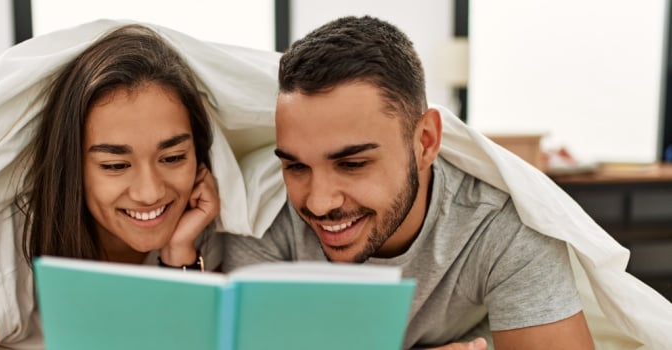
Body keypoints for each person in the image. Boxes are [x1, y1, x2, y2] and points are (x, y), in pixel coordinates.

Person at [223, 16, 595, 349]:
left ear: (426, 142)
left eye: (352, 163)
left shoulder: (501, 229)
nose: (319, 203)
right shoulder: (261, 213)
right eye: (297, 167)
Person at [0, 24, 221, 349]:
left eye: (174, 158)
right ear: (73, 166)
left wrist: (180, 259)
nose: (149, 192)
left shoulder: (203, 228)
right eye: (115, 165)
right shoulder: (5, 240)